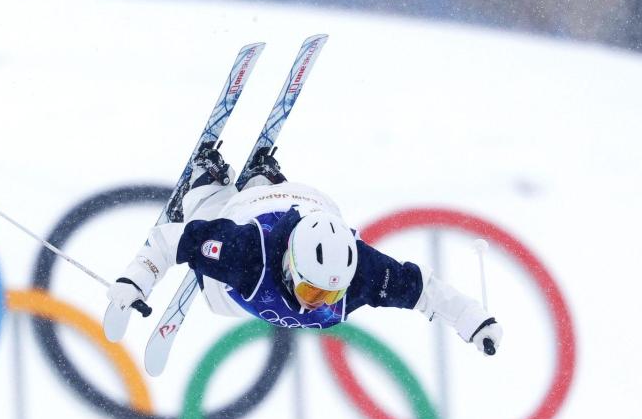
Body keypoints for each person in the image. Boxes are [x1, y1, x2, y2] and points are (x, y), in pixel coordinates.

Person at [106, 146, 503, 354]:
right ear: (291, 267)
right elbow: (170, 239)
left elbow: (423, 291)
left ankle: (261, 178)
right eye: (314, 292)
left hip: (312, 202)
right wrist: (136, 280)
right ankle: (208, 182)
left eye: (331, 295)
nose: (317, 304)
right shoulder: (245, 255)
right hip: (254, 213)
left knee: (232, 290)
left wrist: (474, 321)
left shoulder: (362, 273)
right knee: (215, 293)